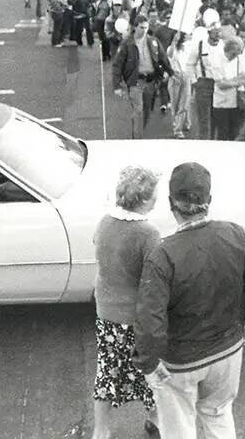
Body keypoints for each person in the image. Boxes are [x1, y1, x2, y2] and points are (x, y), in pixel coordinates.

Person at [134, 162, 245, 439]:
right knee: (218, 413)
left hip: (181, 360)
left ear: (171, 203)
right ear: (209, 201)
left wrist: (148, 361)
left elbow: (150, 318)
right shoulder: (234, 233)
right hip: (228, 351)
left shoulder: (163, 256)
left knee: (179, 427)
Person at [92, 166, 163, 439]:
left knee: (107, 369)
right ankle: (155, 420)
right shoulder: (148, 233)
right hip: (136, 316)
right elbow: (154, 280)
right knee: (149, 368)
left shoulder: (104, 222)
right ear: (146, 199)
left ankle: (101, 430)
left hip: (107, 312)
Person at [111, 15, 174, 140]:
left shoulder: (153, 41)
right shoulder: (127, 43)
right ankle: (137, 140)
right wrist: (116, 85)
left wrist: (170, 72)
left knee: (146, 112)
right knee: (138, 111)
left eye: (146, 27)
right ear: (135, 27)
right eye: (141, 27)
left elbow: (163, 58)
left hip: (151, 82)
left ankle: (141, 136)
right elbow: (117, 65)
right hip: (136, 82)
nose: (144, 30)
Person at [187, 25, 224, 141]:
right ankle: (204, 143)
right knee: (204, 118)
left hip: (220, 84)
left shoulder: (223, 45)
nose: (218, 34)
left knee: (217, 117)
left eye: (219, 32)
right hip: (203, 83)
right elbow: (190, 64)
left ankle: (214, 142)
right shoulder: (200, 45)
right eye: (215, 32)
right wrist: (194, 81)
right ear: (209, 32)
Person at [211, 37, 245, 141]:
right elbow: (220, 84)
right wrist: (236, 81)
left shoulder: (240, 60)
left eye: (238, 53)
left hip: (237, 103)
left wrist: (229, 82)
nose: (235, 56)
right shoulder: (216, 60)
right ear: (227, 50)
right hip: (221, 104)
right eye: (233, 53)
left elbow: (244, 79)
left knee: (235, 134)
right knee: (222, 134)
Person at [167, 33, 192, 139]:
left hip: (186, 76)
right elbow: (170, 54)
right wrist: (174, 41)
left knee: (184, 103)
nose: (189, 36)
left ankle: (178, 130)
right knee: (175, 104)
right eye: (187, 35)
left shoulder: (188, 47)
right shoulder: (171, 48)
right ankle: (179, 123)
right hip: (175, 77)